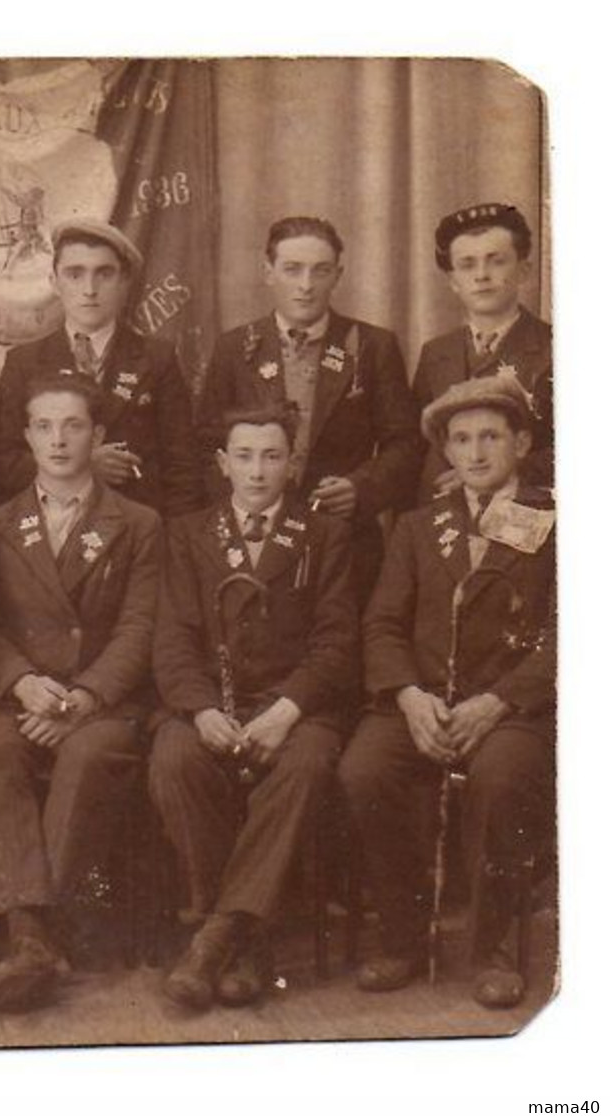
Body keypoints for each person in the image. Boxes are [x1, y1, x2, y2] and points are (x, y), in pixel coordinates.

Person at [339, 376, 554, 1009]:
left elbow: (573, 630)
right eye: (461, 440)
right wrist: (407, 695)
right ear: (447, 453)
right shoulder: (417, 525)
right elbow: (380, 623)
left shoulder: (559, 518)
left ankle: (491, 947)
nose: (476, 453)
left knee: (501, 777)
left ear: (520, 442)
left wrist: (499, 701)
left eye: (491, 436)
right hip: (424, 701)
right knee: (363, 769)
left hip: (512, 709)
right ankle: (404, 935)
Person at [150, 404, 357, 1011]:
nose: (258, 471)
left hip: (296, 706)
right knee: (174, 760)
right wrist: (199, 709)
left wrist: (287, 710)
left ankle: (214, 936)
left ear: (292, 464)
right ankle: (243, 940)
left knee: (304, 766)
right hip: (211, 702)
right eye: (244, 456)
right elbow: (172, 640)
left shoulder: (326, 535)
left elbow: (336, 642)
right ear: (222, 463)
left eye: (272, 456)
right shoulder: (187, 534)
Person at [0, 376, 159, 1012]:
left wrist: (83, 699)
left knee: (83, 757)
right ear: (25, 436)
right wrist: (22, 683)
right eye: (43, 426)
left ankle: (34, 939)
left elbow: (138, 627)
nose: (58, 439)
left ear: (97, 436)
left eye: (73, 425)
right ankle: (30, 937)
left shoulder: (137, 523)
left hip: (102, 701)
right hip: (21, 694)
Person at [194, 216, 417, 590]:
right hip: (253, 538)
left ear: (338, 275)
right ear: (268, 271)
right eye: (292, 270)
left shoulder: (373, 346)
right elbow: (204, 445)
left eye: (320, 271)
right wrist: (243, 509)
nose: (306, 285)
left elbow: (407, 444)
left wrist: (361, 489)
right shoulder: (234, 348)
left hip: (344, 539)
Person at [0, 218, 200, 516]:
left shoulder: (157, 359)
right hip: (50, 532)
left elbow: (183, 469)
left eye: (104, 274)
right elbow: (3, 462)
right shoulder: (24, 363)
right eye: (75, 274)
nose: (90, 289)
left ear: (124, 281)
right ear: (54, 282)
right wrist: (83, 466)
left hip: (136, 536)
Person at [412, 203, 552, 501]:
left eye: (496, 261)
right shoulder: (436, 353)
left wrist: (506, 469)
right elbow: (416, 446)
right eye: (467, 264)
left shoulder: (555, 348)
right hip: (444, 522)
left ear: (523, 269)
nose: (481, 275)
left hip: (525, 517)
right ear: (453, 281)